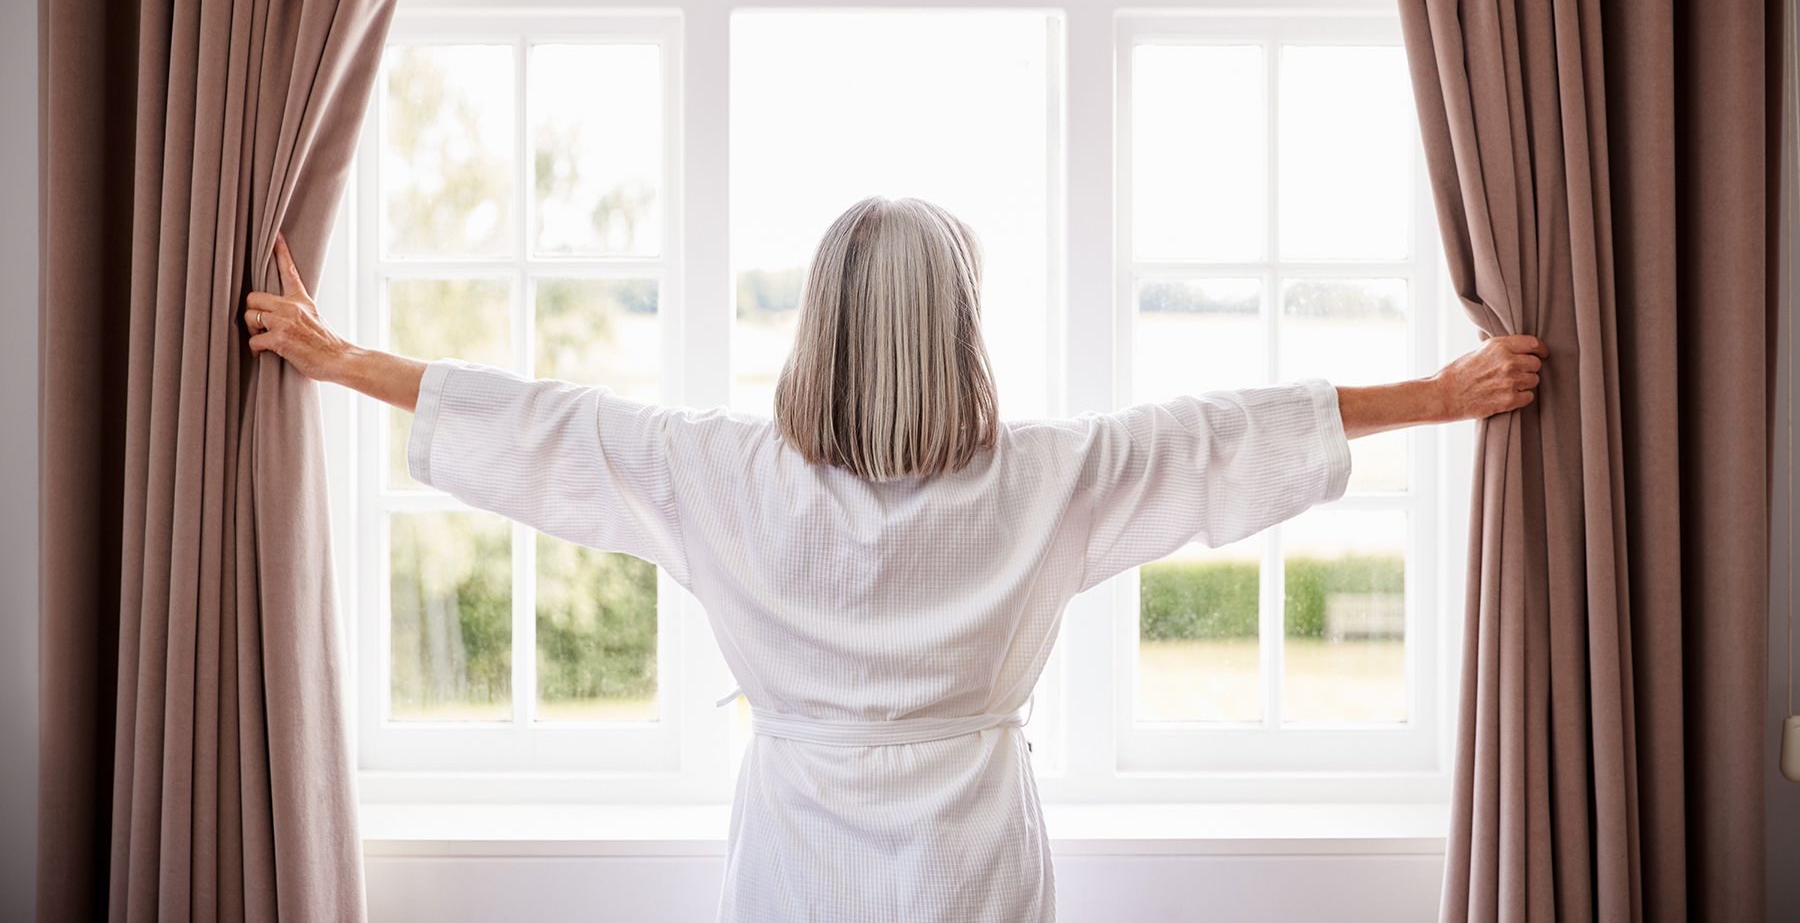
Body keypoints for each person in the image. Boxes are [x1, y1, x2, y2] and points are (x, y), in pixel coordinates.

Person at [244, 196, 1546, 923]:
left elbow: (534, 421)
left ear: (820, 330)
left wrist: (333, 352)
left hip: (797, 852)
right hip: (971, 853)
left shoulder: (726, 475)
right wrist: (1441, 392)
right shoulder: (1044, 478)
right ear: (958, 333)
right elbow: (1221, 439)